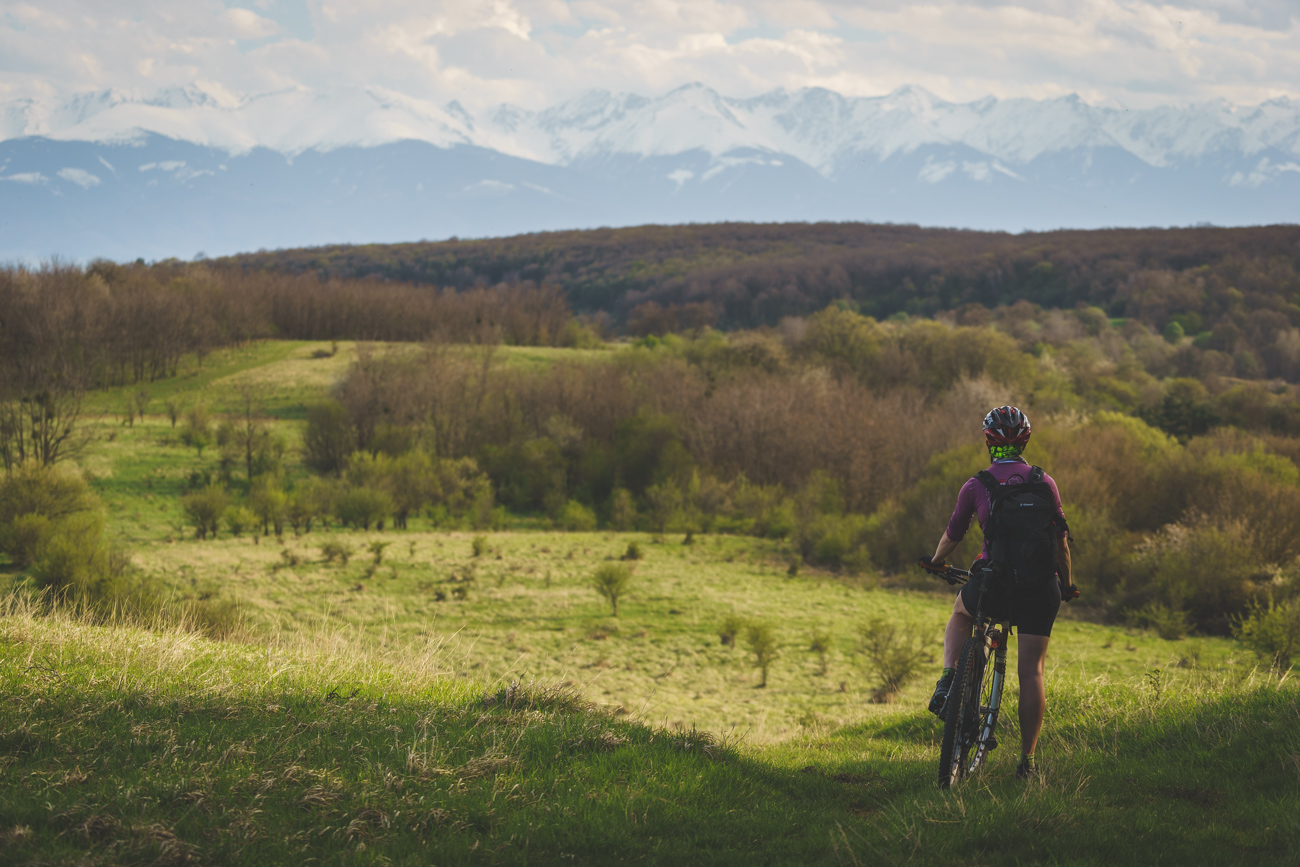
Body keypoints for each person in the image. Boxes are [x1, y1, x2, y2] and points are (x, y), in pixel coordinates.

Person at [921, 406, 1075, 780]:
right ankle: (1026, 762)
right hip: (1040, 590)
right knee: (1031, 671)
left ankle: (948, 679)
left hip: (995, 586)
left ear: (989, 442)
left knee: (961, 613)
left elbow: (953, 535)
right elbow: (1061, 542)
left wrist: (937, 561)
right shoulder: (1045, 482)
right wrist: (1066, 584)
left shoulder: (976, 485)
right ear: (1025, 441)